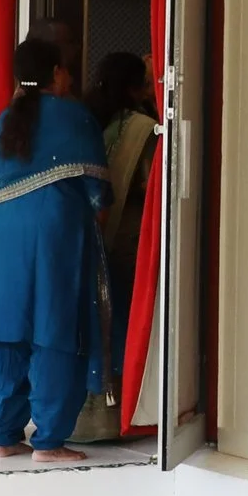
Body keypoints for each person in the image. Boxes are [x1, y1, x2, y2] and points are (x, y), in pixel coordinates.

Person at [0, 36, 110, 464]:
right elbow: (99, 195)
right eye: (66, 69)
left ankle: (3, 437)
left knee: (8, 332)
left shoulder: (4, 120)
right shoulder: (74, 116)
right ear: (56, 73)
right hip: (54, 230)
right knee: (55, 328)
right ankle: (48, 442)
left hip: (1, 234)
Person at [84, 51, 155, 341]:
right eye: (146, 84)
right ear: (133, 89)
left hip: (91, 237)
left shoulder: (87, 119)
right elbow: (151, 184)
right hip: (128, 238)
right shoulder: (144, 128)